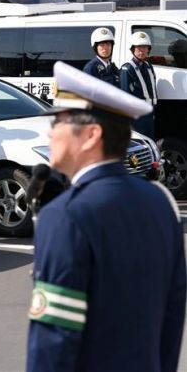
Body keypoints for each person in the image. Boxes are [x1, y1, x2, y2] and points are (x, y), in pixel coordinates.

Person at [26, 61, 186, 372]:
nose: (49, 132)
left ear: (90, 135)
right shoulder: (161, 203)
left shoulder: (65, 215)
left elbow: (54, 342)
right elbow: (172, 317)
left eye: (58, 122)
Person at [120, 31, 157, 138]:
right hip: (137, 117)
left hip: (150, 114)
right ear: (133, 49)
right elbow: (125, 96)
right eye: (138, 47)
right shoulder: (127, 68)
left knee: (150, 142)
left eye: (145, 47)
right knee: (139, 146)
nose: (142, 50)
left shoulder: (149, 66)